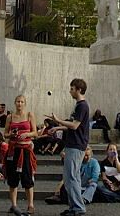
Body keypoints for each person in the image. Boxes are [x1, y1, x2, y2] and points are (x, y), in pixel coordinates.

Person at [47, 77, 90, 216]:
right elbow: (74, 127)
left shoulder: (82, 105)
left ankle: (78, 208)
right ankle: (74, 207)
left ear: (79, 89)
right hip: (75, 144)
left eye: (72, 88)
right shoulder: (79, 105)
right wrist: (58, 127)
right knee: (73, 177)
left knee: (70, 177)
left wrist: (58, 120)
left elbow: (75, 125)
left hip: (76, 145)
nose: (70, 91)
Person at [5, 94, 38, 216]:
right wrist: (12, 134)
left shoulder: (30, 115)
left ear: (25, 103)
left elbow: (35, 133)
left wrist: (27, 134)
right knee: (12, 178)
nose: (19, 104)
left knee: (27, 178)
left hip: (26, 150)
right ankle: (14, 205)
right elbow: (5, 134)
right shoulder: (10, 117)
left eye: (22, 102)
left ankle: (30, 205)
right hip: (13, 149)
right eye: (18, 101)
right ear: (15, 103)